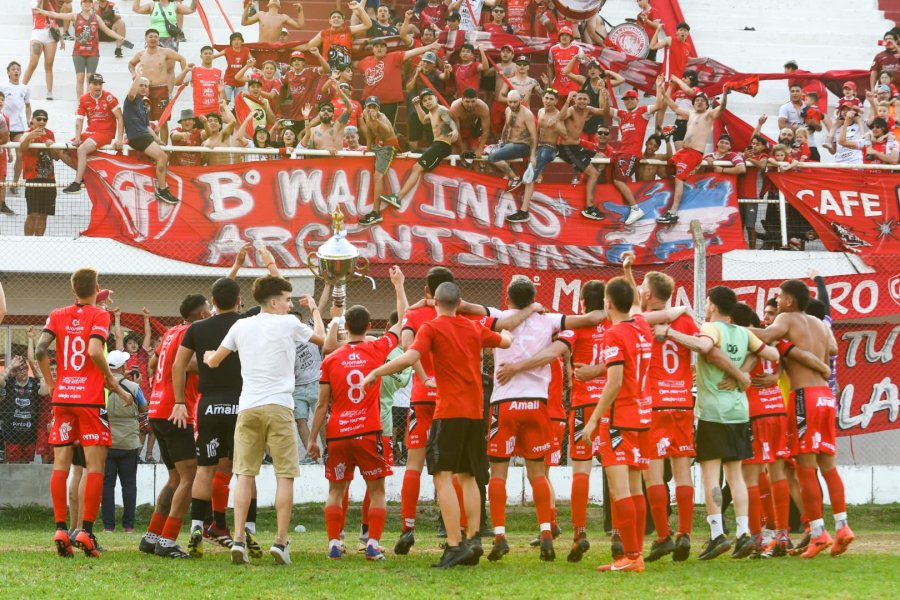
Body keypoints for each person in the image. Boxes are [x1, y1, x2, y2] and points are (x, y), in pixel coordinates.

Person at [364, 282, 512, 568]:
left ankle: (454, 545)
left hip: (449, 411)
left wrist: (376, 372)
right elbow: (504, 341)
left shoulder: (431, 328)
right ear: (459, 302)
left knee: (442, 477)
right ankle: (472, 539)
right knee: (468, 476)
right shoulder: (473, 327)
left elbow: (410, 356)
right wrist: (506, 334)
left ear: (435, 302)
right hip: (474, 412)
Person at [479, 278, 605, 563]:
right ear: (534, 297)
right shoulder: (550, 320)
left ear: (508, 298)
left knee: (498, 474)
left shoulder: (498, 317)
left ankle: (500, 536)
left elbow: (465, 307)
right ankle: (547, 533)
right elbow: (593, 317)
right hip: (537, 404)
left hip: (504, 402)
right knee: (538, 474)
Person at [204, 277, 325, 566]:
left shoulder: (241, 325)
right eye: (287, 299)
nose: (290, 305)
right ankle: (280, 541)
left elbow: (215, 360)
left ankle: (238, 539)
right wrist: (315, 310)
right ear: (273, 301)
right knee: (285, 475)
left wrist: (208, 357)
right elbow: (323, 339)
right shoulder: (289, 324)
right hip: (279, 407)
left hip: (248, 407)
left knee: (244, 474)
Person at [654, 286, 779, 560]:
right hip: (739, 411)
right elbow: (772, 355)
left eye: (707, 302)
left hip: (713, 412)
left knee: (711, 475)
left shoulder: (711, 328)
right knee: (736, 476)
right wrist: (741, 372)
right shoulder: (744, 332)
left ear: (712, 306)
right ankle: (743, 533)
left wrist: (670, 333)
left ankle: (717, 534)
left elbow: (704, 347)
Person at [308, 266, 408, 561]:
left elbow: (322, 404)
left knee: (335, 490)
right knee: (377, 491)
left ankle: (334, 543)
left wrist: (312, 439)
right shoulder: (377, 349)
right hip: (369, 432)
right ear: (369, 326)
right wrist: (398, 286)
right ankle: (372, 543)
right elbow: (402, 322)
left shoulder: (331, 359)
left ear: (346, 327)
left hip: (338, 433)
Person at [750, 280, 853, 558]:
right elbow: (833, 349)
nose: (777, 300)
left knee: (805, 469)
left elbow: (765, 336)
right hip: (825, 397)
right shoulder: (820, 323)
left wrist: (735, 328)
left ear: (790, 301)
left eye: (779, 296)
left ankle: (818, 533)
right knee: (828, 467)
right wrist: (797, 350)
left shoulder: (786, 318)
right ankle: (842, 526)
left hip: (803, 397)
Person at [35, 267, 132, 558]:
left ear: (72, 289)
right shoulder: (99, 315)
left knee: (61, 466)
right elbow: (93, 351)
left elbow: (40, 350)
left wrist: (52, 384)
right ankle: (86, 533)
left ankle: (61, 529)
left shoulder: (57, 314)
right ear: (96, 288)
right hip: (89, 401)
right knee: (94, 467)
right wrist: (111, 381)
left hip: (63, 399)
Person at [579, 277, 654, 573]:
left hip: (619, 419)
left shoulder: (614, 334)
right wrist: (627, 272)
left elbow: (615, 381)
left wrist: (593, 420)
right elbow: (636, 303)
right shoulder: (642, 326)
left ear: (608, 303)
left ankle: (631, 556)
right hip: (642, 417)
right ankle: (636, 554)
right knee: (635, 489)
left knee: (620, 488)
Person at [139, 294, 209, 559]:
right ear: (202, 314)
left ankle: (152, 536)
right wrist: (216, 362)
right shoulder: (194, 332)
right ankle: (167, 540)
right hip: (176, 411)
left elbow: (153, 363)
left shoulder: (170, 332)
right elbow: (188, 364)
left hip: (158, 408)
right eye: (209, 310)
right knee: (190, 477)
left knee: (176, 478)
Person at [638, 271, 699, 563]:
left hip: (654, 403)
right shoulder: (685, 321)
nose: (639, 290)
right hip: (682, 402)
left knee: (653, 474)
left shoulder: (641, 321)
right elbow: (701, 343)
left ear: (649, 294)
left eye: (642, 287)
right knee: (682, 471)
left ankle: (663, 536)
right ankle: (685, 532)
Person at [657, 87, 731, 225]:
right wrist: (662, 90)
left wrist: (725, 95)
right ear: (693, 103)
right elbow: (674, 107)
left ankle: (673, 212)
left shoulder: (709, 115)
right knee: (665, 170)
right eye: (697, 100)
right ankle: (666, 201)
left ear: (707, 104)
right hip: (683, 152)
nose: (699, 102)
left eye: (702, 100)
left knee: (679, 179)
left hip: (694, 153)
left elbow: (721, 108)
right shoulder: (690, 113)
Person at [377, 88, 458, 210]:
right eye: (425, 101)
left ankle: (398, 197)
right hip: (436, 144)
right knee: (410, 154)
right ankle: (397, 196)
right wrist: (417, 105)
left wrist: (455, 130)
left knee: (417, 168)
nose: (428, 102)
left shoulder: (441, 110)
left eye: (430, 99)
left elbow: (451, 122)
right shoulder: (431, 113)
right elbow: (423, 120)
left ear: (436, 98)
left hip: (442, 145)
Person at [601, 79, 665, 225]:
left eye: (631, 99)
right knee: (610, 175)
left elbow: (659, 106)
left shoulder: (642, 112)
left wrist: (659, 88)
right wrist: (603, 93)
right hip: (621, 153)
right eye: (626, 99)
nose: (629, 101)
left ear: (637, 100)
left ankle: (635, 209)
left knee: (618, 180)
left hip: (631, 154)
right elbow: (605, 110)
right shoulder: (621, 114)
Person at [35, 0, 129, 98]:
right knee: (80, 78)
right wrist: (42, 11)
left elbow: (108, 31)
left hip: (93, 52)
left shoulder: (96, 18)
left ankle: (88, 101)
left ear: (92, 4)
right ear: (81, 4)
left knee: (90, 78)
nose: (87, 4)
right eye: (85, 2)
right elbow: (57, 15)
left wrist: (121, 38)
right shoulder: (75, 16)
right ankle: (80, 102)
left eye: (89, 2)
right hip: (79, 52)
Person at [100, 350, 146, 534]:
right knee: (129, 485)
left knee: (107, 485)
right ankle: (128, 526)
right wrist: (137, 385)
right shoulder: (133, 387)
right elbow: (143, 407)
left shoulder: (101, 385)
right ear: (122, 366)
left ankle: (108, 526)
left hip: (107, 440)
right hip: (129, 442)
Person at [509, 88, 565, 223]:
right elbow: (537, 132)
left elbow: (565, 134)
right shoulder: (540, 111)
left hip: (549, 149)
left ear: (556, 101)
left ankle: (524, 211)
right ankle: (515, 177)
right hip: (538, 146)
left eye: (551, 99)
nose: (548, 101)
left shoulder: (559, 116)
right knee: (512, 152)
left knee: (529, 176)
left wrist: (557, 125)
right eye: (546, 98)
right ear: (542, 99)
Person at [122, 73, 179, 204]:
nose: (143, 88)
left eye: (146, 86)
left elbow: (147, 126)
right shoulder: (131, 100)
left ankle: (162, 187)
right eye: (141, 85)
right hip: (137, 136)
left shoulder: (143, 105)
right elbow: (131, 93)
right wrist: (138, 76)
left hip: (144, 135)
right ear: (135, 86)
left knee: (163, 156)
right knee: (162, 157)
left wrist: (157, 139)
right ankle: (162, 189)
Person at [62, 73, 124, 193]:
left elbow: (120, 118)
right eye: (95, 84)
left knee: (81, 150)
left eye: (100, 84)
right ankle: (85, 175)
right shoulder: (83, 99)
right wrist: (77, 138)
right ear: (89, 85)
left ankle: (77, 183)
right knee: (61, 150)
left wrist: (119, 139)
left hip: (105, 132)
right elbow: (79, 120)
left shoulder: (109, 97)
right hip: (90, 132)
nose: (98, 87)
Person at [128, 29, 187, 143]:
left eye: (155, 37)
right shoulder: (140, 54)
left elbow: (181, 59)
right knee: (145, 120)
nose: (153, 39)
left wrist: (185, 76)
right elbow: (131, 64)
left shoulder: (165, 52)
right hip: (145, 90)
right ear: (146, 39)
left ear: (158, 39)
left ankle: (164, 148)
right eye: (151, 36)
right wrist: (134, 74)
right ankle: (149, 146)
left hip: (161, 89)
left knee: (162, 122)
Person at [557, 90, 606, 220]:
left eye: (585, 99)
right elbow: (561, 117)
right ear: (575, 100)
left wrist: (603, 94)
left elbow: (603, 111)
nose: (582, 101)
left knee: (602, 158)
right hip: (566, 148)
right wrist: (568, 100)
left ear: (588, 101)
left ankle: (585, 181)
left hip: (577, 147)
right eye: (579, 98)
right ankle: (589, 207)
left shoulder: (587, 110)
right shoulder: (571, 110)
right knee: (593, 174)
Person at [356, 97, 402, 226]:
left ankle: (376, 212)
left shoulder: (382, 117)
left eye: (374, 107)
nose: (371, 109)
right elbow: (369, 131)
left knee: (378, 176)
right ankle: (375, 212)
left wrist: (376, 119)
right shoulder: (365, 114)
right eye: (369, 106)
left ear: (378, 108)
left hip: (388, 146)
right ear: (365, 107)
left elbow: (387, 130)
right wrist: (368, 148)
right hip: (378, 145)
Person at [19, 109, 60, 237]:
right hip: (33, 179)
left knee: (43, 215)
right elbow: (22, 149)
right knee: (32, 214)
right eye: (39, 119)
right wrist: (29, 137)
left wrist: (52, 146)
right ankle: (27, 242)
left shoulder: (50, 134)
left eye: (45, 119)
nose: (42, 121)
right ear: (32, 120)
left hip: (49, 179)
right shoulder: (26, 133)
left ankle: (39, 242)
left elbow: (56, 157)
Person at [298, 3, 373, 70]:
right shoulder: (323, 33)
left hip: (344, 69)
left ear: (343, 21)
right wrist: (290, 47)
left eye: (339, 17)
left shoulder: (348, 30)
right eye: (334, 17)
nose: (336, 19)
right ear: (330, 21)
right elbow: (308, 46)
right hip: (328, 69)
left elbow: (368, 24)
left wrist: (359, 8)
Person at [0, 354, 44, 463]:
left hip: (29, 433)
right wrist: (11, 366)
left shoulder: (33, 382)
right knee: (13, 464)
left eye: (25, 369)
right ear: (15, 372)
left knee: (25, 463)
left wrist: (39, 373)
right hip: (12, 433)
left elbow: (44, 390)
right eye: (19, 370)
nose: (23, 372)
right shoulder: (10, 382)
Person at [487, 90, 535, 189]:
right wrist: (501, 142)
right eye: (510, 102)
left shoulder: (527, 114)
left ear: (520, 100)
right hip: (510, 144)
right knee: (487, 150)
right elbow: (506, 127)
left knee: (493, 157)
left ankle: (515, 178)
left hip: (523, 145)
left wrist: (533, 155)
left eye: (515, 102)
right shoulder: (507, 110)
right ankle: (507, 177)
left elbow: (534, 136)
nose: (512, 104)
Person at [2, 62, 33, 198]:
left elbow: (28, 106)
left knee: (20, 153)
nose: (16, 71)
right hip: (3, 127)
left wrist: (29, 120)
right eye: (13, 69)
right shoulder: (3, 86)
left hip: (18, 128)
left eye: (18, 69)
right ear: (8, 72)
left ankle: (14, 183)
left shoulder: (25, 88)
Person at [23, 1, 60, 101]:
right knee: (33, 64)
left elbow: (55, 20)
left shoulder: (52, 2)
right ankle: (21, 89)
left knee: (49, 64)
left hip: (51, 35)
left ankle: (49, 92)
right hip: (38, 33)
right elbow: (37, 12)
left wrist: (61, 38)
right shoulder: (34, 1)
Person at [174, 45, 224, 119]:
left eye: (210, 53)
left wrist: (222, 107)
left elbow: (222, 94)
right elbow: (176, 83)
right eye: (205, 53)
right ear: (201, 56)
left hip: (215, 113)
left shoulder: (219, 72)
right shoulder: (194, 71)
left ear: (213, 56)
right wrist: (185, 70)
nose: (208, 55)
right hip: (199, 113)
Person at [131, 0, 197, 51]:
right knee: (152, 63)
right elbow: (136, 9)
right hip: (154, 39)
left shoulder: (175, 5)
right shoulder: (152, 5)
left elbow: (191, 9)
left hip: (170, 39)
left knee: (169, 64)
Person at [449, 88, 491, 162]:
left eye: (473, 101)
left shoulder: (483, 107)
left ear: (477, 99)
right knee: (455, 152)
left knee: (476, 153)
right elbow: (456, 131)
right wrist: (462, 149)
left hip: (472, 131)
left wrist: (479, 149)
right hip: (459, 132)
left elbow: (486, 130)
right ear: (462, 100)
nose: (470, 105)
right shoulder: (455, 108)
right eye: (467, 101)